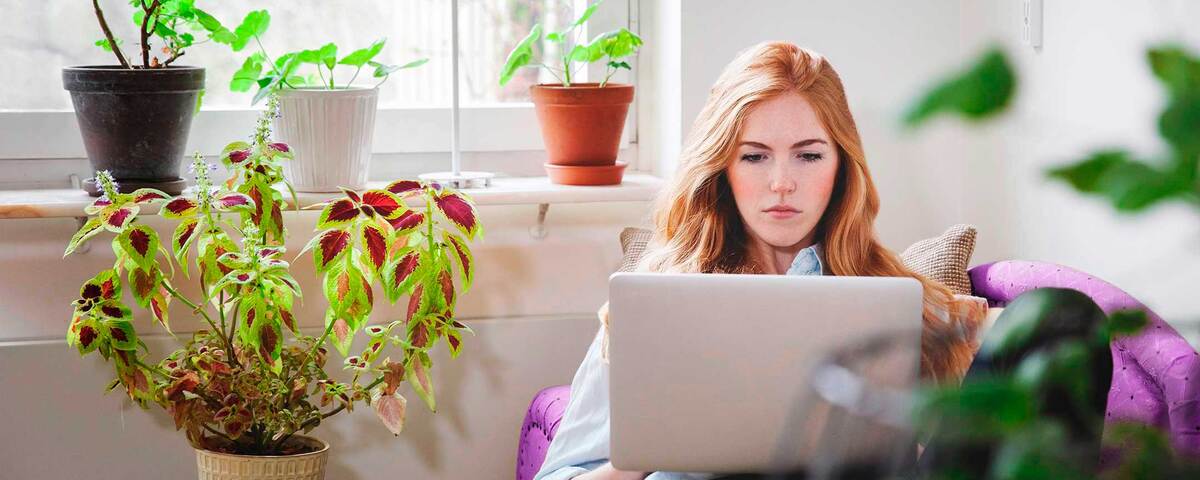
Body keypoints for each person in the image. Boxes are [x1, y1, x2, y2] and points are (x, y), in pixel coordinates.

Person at [534, 41, 981, 480]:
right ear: (722, 166)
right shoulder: (652, 306)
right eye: (754, 156)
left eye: (808, 155)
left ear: (841, 166)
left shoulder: (905, 308)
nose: (782, 182)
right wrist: (637, 458)